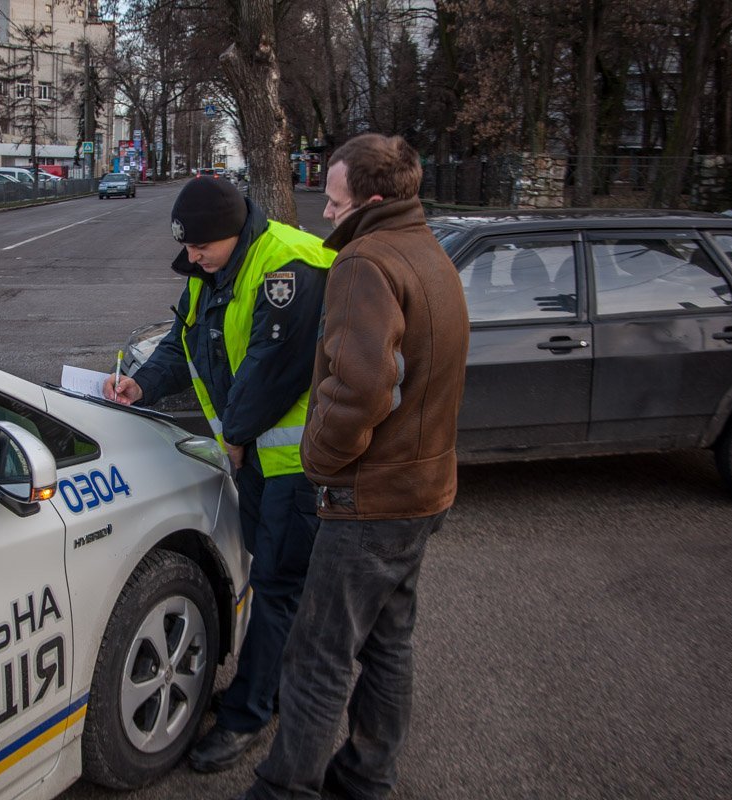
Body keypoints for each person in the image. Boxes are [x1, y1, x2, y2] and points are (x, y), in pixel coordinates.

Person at [239, 133, 470, 800]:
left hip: (372, 500)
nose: (327, 216)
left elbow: (365, 386)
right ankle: (367, 777)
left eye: (334, 203)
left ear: (369, 199)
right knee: (389, 643)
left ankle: (287, 789)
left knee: (318, 655)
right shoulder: (426, 250)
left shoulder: (365, 263)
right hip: (424, 489)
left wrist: (320, 459)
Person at [102, 177, 335, 772]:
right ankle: (270, 684)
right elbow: (184, 343)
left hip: (293, 463)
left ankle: (249, 715)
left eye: (201, 249)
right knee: (272, 578)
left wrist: (231, 438)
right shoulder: (211, 267)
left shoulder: (288, 266)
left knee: (280, 586)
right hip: (256, 456)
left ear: (233, 234)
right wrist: (140, 383)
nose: (193, 260)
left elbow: (271, 373)